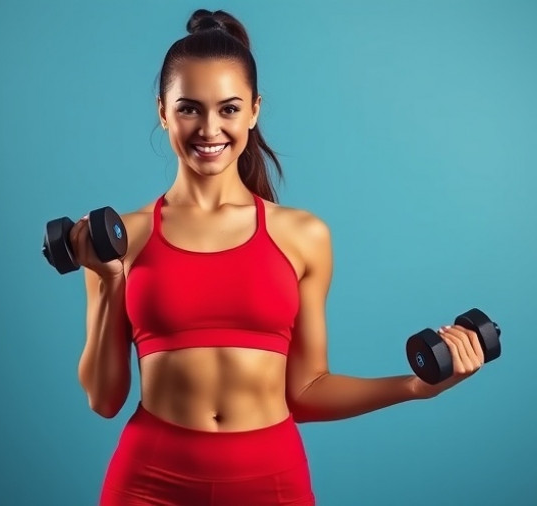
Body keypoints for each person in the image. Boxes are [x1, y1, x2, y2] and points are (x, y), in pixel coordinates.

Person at [70, 9, 486, 506]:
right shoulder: (122, 238)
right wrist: (109, 282)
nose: (209, 129)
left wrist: (413, 388)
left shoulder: (302, 236)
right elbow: (103, 399)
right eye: (189, 109)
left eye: (228, 109)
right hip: (149, 480)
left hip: (269, 481)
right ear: (162, 111)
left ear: (254, 110)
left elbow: (307, 389)